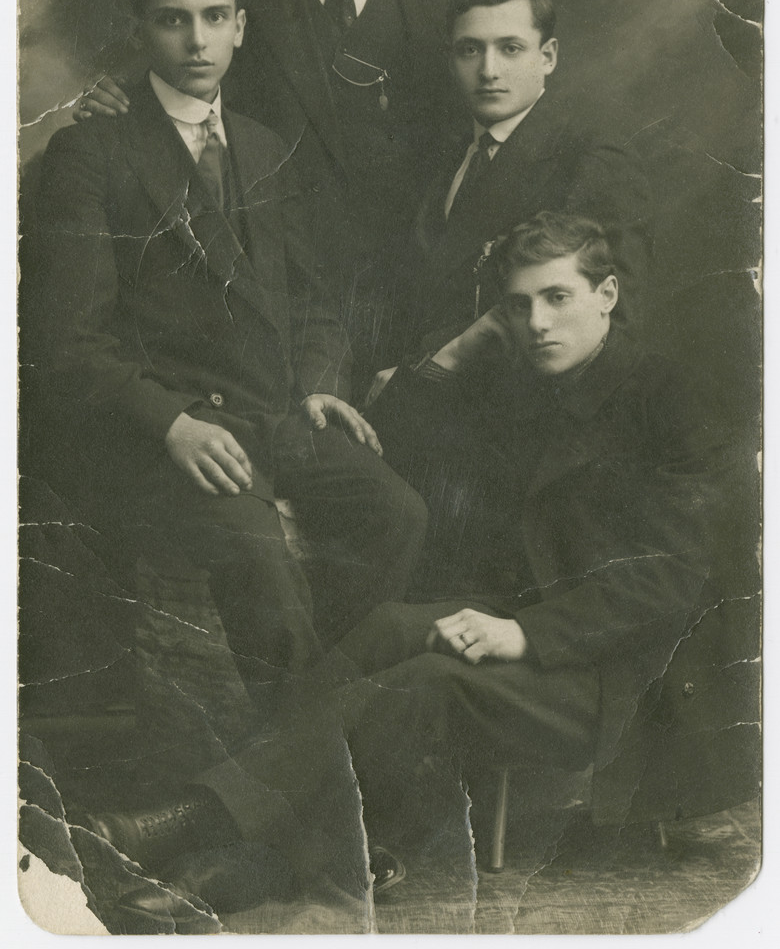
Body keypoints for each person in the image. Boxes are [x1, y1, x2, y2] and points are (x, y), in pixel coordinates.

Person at [79, 213, 752, 925]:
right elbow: (392, 443)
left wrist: (524, 634)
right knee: (386, 630)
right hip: (547, 623)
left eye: (558, 298)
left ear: (607, 293)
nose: (537, 323)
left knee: (422, 683)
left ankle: (207, 846)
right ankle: (234, 837)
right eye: (517, 305)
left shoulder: (667, 399)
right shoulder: (527, 381)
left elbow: (672, 582)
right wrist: (460, 351)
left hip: (634, 676)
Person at [30, 0, 427, 726]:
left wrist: (317, 384)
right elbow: (64, 343)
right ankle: (308, 797)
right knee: (263, 568)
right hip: (158, 435)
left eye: (216, 18)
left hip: (273, 417)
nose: (198, 41)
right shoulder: (91, 152)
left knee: (398, 513)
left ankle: (299, 748)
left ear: (242, 28)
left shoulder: (261, 146)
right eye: (174, 21)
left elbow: (311, 304)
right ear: (141, 31)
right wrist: (170, 424)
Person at [75, 0, 452, 380]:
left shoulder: (434, 1)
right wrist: (112, 99)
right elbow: (174, 76)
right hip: (284, 296)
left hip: (406, 286)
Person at [369, 0, 651, 402]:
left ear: (548, 56)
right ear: (451, 60)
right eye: (470, 50)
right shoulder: (443, 151)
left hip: (519, 420)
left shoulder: (591, 158)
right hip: (419, 402)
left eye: (511, 48)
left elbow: (611, 327)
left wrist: (428, 370)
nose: (488, 70)